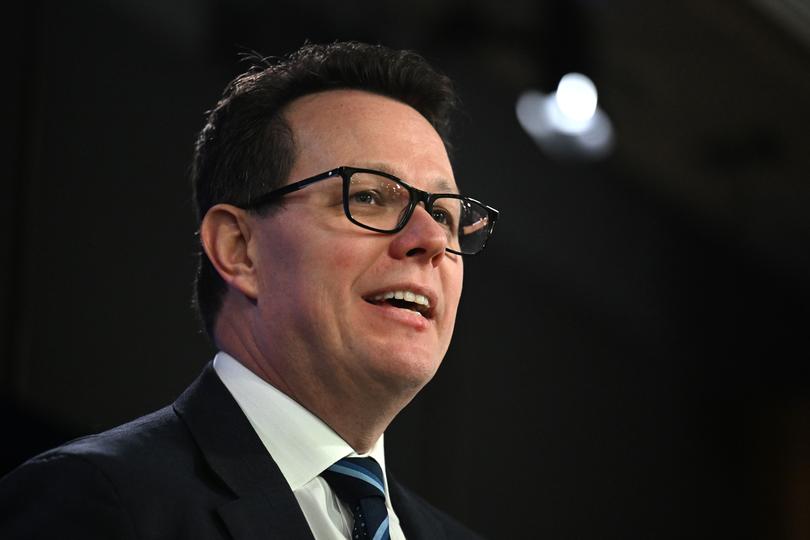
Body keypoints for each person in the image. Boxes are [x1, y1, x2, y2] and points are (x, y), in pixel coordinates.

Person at [0, 41, 498, 539]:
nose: (431, 240)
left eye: (444, 214)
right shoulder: (101, 501)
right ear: (239, 248)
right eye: (368, 197)